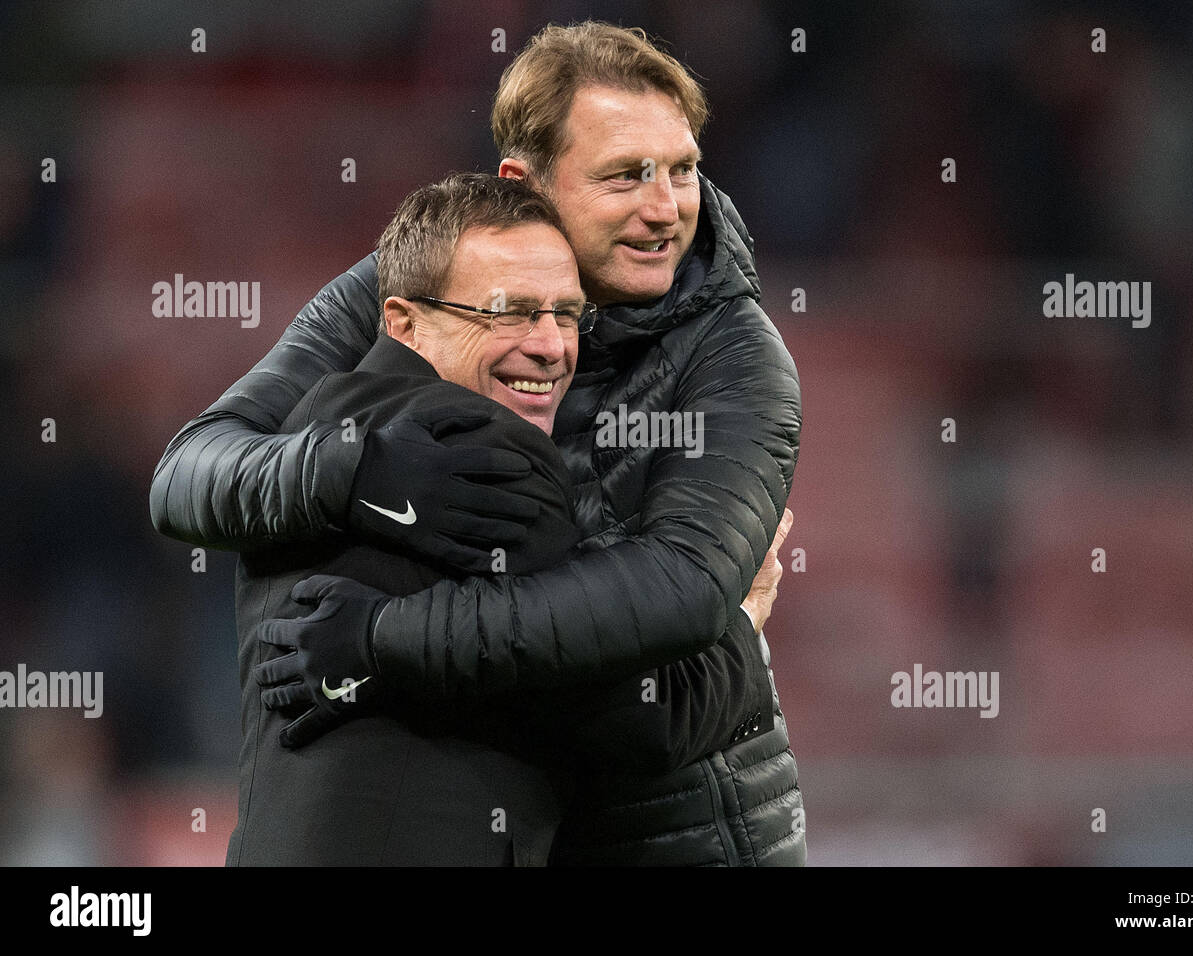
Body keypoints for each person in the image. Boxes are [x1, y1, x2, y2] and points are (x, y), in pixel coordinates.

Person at [152, 21, 804, 866]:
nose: (666, 207)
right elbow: (189, 472)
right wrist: (356, 471)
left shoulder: (738, 356)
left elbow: (677, 593)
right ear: (523, 183)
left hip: (681, 829)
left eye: (682, 170)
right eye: (624, 176)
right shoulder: (422, 280)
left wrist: (385, 641)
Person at [230, 173, 588, 864]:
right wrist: (739, 624)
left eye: (567, 314)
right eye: (510, 311)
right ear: (403, 322)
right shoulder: (489, 447)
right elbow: (634, 711)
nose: (552, 346)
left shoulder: (302, 433)